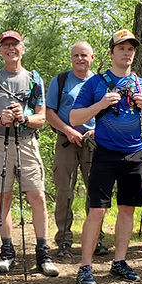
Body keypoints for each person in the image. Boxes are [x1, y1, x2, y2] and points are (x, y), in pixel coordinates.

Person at [70, 29, 142, 284]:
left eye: (131, 48)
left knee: (127, 209)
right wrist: (99, 105)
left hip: (134, 153)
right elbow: (75, 119)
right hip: (105, 153)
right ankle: (85, 266)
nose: (127, 52)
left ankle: (119, 262)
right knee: (97, 210)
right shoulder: (96, 83)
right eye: (121, 48)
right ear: (111, 53)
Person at [0, 31, 59, 278]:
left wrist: (24, 118)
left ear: (22, 48)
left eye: (15, 44)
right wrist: (0, 119)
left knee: (37, 196)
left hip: (26, 143)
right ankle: (7, 252)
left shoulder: (34, 79)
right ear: (0, 50)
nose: (11, 49)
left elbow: (41, 118)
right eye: (6, 45)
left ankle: (43, 252)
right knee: (3, 198)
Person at [45, 41, 106, 258]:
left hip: (94, 143)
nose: (80, 59)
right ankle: (64, 241)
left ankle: (95, 239)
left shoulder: (101, 82)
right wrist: (68, 130)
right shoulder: (60, 81)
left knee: (96, 192)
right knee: (64, 193)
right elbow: (49, 112)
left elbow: (108, 112)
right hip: (65, 142)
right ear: (71, 58)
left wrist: (97, 131)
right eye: (76, 55)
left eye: (84, 55)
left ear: (92, 58)